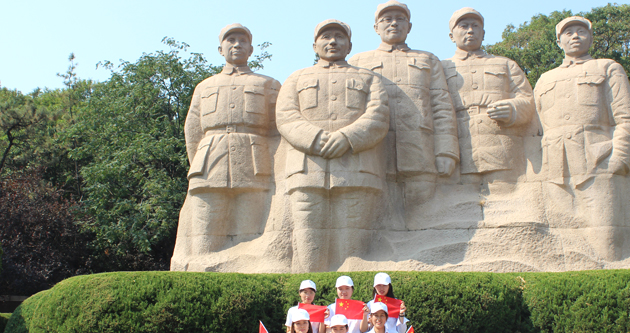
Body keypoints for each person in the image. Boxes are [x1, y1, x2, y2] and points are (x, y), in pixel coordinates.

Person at [276, 19, 390, 273]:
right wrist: (315, 138)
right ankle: (307, 297)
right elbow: (285, 116)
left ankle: (350, 297)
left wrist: (348, 137)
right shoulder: (296, 78)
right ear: (314, 45)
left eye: (339, 37)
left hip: (357, 169)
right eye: (326, 37)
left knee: (352, 248)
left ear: (350, 46)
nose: (332, 42)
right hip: (307, 169)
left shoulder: (368, 78)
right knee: (308, 239)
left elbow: (379, 116)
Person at [534, 16, 630, 262]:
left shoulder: (607, 68)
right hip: (554, 168)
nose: (575, 36)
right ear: (558, 41)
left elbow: (627, 118)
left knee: (605, 240)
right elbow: (535, 129)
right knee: (560, 243)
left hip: (597, 162)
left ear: (591, 38)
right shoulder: (544, 79)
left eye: (581, 31)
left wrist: (620, 160)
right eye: (568, 32)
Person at [349, 1, 459, 226]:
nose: (394, 23)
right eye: (386, 19)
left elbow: (442, 107)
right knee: (378, 216)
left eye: (400, 19)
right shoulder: (357, 62)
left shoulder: (428, 60)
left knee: (424, 214)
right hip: (375, 150)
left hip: (419, 149)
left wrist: (446, 151)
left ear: (409, 26)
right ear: (376, 28)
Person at [179, 23, 280, 256]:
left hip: (255, 164)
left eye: (243, 41)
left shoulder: (268, 84)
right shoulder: (204, 86)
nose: (237, 45)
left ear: (251, 49)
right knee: (204, 235)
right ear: (220, 49)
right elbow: (192, 130)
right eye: (231, 40)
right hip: (209, 162)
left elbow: (277, 131)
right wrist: (199, 162)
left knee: (250, 236)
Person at [441, 8, 535, 182]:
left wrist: (513, 109)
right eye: (464, 26)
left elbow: (527, 99)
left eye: (475, 26)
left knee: (505, 189)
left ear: (483, 34)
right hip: (459, 143)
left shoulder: (505, 64)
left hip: (500, 143)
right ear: (451, 36)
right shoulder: (441, 68)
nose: (470, 30)